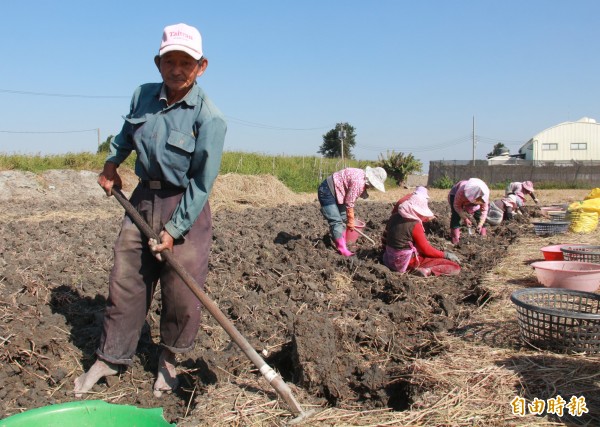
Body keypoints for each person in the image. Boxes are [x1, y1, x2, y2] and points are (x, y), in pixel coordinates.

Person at [74, 23, 227, 398]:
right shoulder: (142, 96)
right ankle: (111, 356)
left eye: (186, 63)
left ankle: (170, 358)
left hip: (184, 206)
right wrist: (112, 164)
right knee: (126, 279)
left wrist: (173, 231)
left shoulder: (209, 118)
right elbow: (125, 136)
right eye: (169, 61)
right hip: (142, 200)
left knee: (181, 292)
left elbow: (202, 184)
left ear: (201, 66)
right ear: (158, 63)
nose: (177, 69)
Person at [382, 192, 460, 277]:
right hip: (406, 262)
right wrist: (445, 255)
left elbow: (385, 238)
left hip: (388, 259)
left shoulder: (394, 217)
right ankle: (426, 270)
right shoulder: (414, 224)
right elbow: (426, 250)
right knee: (454, 267)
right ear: (415, 211)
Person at [318, 166, 387, 256]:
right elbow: (349, 202)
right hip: (327, 190)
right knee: (336, 221)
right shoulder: (359, 182)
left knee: (343, 218)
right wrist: (351, 220)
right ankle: (342, 249)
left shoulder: (362, 176)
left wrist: (349, 219)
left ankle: (342, 240)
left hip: (338, 191)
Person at [448, 178, 490, 245]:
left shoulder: (484, 196)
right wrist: (465, 219)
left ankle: (483, 233)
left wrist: (481, 224)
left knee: (478, 213)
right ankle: (455, 237)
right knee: (456, 215)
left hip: (470, 199)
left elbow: (484, 210)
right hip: (455, 194)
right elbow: (456, 206)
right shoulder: (461, 192)